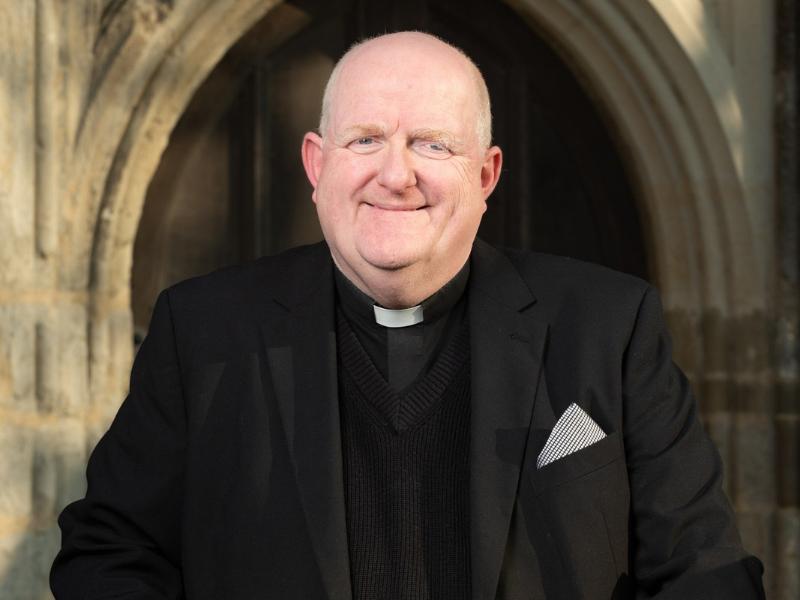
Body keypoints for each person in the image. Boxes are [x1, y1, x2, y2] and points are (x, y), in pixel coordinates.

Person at [51, 31, 765, 599]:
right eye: (366, 139)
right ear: (315, 164)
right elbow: (108, 555)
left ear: (485, 175)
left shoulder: (610, 327)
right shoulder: (202, 331)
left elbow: (705, 571)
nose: (396, 175)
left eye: (432, 143)